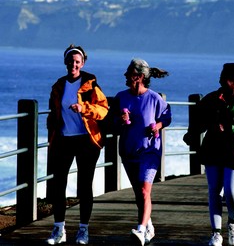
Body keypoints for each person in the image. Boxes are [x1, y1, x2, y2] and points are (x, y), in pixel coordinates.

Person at [46, 44, 109, 245]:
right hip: (63, 140)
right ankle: (59, 229)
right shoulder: (58, 86)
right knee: (58, 185)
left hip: (86, 141)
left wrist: (84, 108)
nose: (73, 64)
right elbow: (53, 112)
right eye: (70, 61)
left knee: (84, 186)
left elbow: (104, 110)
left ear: (82, 64)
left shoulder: (91, 84)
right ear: (65, 62)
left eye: (77, 61)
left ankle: (83, 230)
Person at [183, 63, 234, 246]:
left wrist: (229, 129)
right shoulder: (212, 99)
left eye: (224, 77)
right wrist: (192, 133)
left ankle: (233, 223)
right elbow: (199, 118)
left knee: (231, 191)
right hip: (213, 149)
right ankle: (216, 233)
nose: (219, 79)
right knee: (214, 190)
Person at [110, 58, 172, 246]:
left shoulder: (154, 98)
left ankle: (141, 229)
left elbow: (167, 117)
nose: (125, 76)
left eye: (128, 73)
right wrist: (121, 120)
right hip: (128, 151)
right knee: (139, 194)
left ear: (138, 77)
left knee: (145, 191)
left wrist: (158, 126)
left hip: (149, 151)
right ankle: (149, 226)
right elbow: (111, 123)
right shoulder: (121, 97)